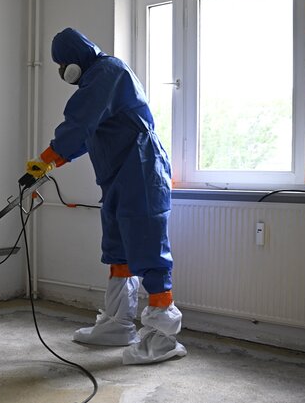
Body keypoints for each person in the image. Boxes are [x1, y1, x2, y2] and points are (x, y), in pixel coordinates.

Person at [26, 27, 186, 365]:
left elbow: (78, 123)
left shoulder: (107, 71)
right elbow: (85, 138)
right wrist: (50, 162)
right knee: (118, 250)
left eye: (62, 63)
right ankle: (118, 323)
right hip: (116, 178)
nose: (61, 71)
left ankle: (164, 339)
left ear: (76, 58)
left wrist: (44, 160)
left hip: (141, 171)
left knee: (148, 250)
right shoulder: (96, 80)